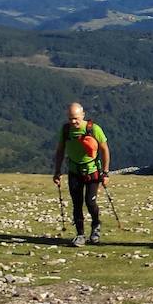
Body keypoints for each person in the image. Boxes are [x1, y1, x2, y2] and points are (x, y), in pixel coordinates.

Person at [52, 102, 110, 247]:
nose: (73, 121)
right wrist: (57, 171)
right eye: (70, 118)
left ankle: (96, 227)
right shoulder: (66, 130)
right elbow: (60, 150)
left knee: (90, 202)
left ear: (83, 115)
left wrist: (106, 172)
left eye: (76, 118)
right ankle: (80, 235)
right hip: (74, 171)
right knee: (77, 204)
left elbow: (104, 150)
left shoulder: (94, 129)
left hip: (92, 171)